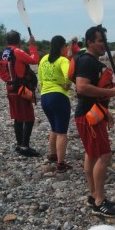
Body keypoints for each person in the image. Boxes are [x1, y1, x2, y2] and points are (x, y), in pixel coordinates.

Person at [74, 26, 115, 217]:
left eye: (105, 40)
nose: (105, 44)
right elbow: (82, 88)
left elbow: (91, 93)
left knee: (92, 154)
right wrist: (112, 92)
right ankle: (99, 203)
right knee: (104, 155)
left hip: (93, 114)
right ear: (90, 42)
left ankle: (93, 194)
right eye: (100, 41)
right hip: (88, 118)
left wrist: (106, 112)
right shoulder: (87, 62)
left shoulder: (89, 60)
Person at [38, 35, 73, 173]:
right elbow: (69, 75)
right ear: (62, 47)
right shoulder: (63, 60)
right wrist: (67, 86)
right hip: (59, 97)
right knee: (62, 132)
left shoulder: (43, 59)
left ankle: (53, 155)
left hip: (45, 97)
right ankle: (61, 163)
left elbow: (40, 79)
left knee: (54, 127)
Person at [3, 30, 40, 157]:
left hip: (10, 88)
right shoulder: (17, 51)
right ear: (18, 41)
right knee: (29, 118)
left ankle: (19, 144)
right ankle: (25, 146)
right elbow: (34, 60)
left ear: (7, 41)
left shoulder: (5, 52)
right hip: (21, 88)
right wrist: (32, 46)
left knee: (17, 117)